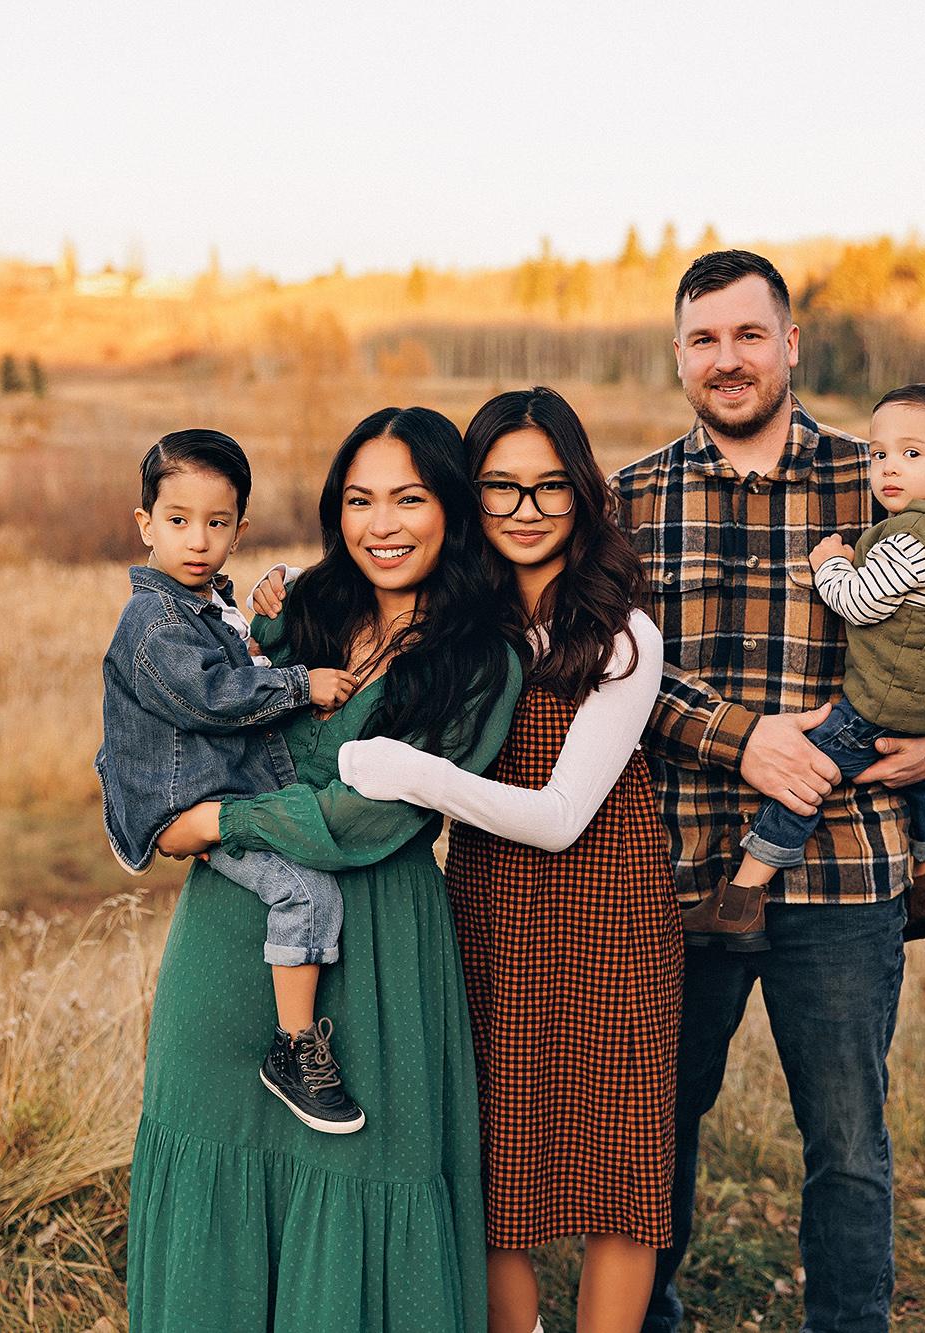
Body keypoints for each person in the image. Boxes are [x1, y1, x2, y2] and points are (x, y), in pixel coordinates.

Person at [617, 252, 925, 1333]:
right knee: (658, 1127)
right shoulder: (631, 499)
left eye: (749, 334)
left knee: (846, 1142)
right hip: (682, 873)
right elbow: (607, 672)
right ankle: (647, 1317)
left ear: (789, 345)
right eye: (704, 338)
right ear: (678, 354)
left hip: (847, 875)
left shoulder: (882, 474)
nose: (727, 358)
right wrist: (740, 740)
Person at [125, 407, 524, 1333]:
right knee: (212, 1154)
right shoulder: (304, 611)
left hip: (376, 937)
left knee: (363, 1174)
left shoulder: (479, 658)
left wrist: (217, 819)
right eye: (359, 500)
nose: (381, 525)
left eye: (409, 499)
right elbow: (189, 708)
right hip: (230, 933)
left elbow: (367, 817)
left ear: (452, 508)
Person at [338, 387, 682, 1333]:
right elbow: (349, 594)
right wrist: (283, 584)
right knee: (495, 1160)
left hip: (612, 917)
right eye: (499, 486)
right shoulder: (458, 622)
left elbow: (562, 817)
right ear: (471, 496)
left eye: (548, 486)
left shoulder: (623, 634)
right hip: (492, 912)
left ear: (583, 492)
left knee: (621, 1171)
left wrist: (413, 772)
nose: (525, 510)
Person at [96, 429, 365, 1133]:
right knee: (305, 891)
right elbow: (210, 697)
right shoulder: (153, 623)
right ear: (145, 523)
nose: (198, 540)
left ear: (239, 530)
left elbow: (239, 655)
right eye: (178, 520)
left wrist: (277, 598)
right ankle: (295, 1047)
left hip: (217, 789)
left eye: (217, 524)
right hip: (188, 802)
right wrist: (301, 684)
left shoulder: (209, 602)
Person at [724, 384, 925, 944]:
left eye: (911, 454)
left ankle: (742, 895)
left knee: (804, 779)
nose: (889, 468)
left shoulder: (911, 537)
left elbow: (860, 603)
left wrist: (830, 565)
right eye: (879, 453)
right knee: (923, 781)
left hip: (883, 702)